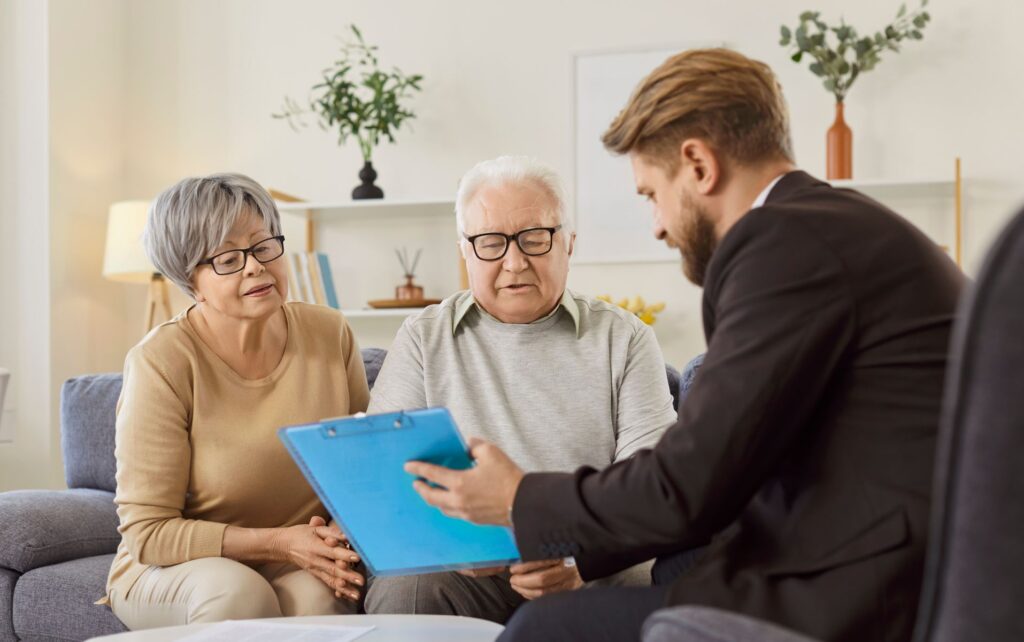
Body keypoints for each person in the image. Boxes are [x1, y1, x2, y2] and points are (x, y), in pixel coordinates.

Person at [403, 49, 965, 642]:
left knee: (547, 631)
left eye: (650, 193)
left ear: (697, 164)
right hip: (891, 563)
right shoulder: (830, 226)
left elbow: (689, 483)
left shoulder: (784, 245)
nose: (658, 225)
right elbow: (726, 472)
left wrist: (519, 498)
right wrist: (581, 555)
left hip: (871, 591)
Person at [363, 156, 678, 623]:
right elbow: (384, 476)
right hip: (463, 571)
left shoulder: (625, 339)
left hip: (592, 567)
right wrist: (456, 544)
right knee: (407, 585)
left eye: (535, 238)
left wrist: (580, 560)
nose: (514, 262)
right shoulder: (422, 337)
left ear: (568, 244)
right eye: (491, 243)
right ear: (465, 252)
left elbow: (649, 484)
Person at [104, 173, 369, 630]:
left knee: (323, 600)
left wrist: (341, 530)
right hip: (175, 567)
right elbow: (149, 534)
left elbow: (362, 468)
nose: (254, 267)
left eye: (264, 246)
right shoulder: (161, 360)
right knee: (237, 594)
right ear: (190, 279)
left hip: (295, 557)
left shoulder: (330, 333)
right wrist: (280, 543)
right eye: (228, 258)